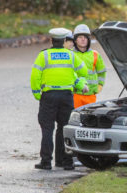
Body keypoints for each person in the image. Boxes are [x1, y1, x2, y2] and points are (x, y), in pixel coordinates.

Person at [30, 28, 89, 170]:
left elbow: (35, 76)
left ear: (51, 40)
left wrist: (38, 94)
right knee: (65, 128)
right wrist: (77, 82)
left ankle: (46, 161)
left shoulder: (43, 56)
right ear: (64, 41)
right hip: (66, 96)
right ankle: (66, 162)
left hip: (48, 95)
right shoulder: (71, 55)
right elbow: (84, 71)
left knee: (47, 129)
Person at [72, 24, 107, 108]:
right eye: (80, 37)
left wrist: (100, 85)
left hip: (91, 95)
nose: (83, 39)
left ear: (89, 39)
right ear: (75, 40)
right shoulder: (70, 54)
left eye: (85, 37)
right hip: (75, 94)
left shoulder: (95, 54)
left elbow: (102, 72)